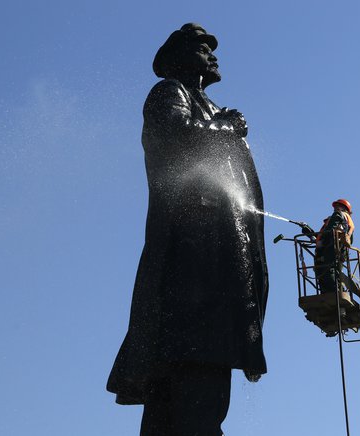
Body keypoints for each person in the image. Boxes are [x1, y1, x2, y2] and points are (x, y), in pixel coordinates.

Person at [106, 23, 268, 436]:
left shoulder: (214, 108)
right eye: (202, 47)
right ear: (179, 56)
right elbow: (173, 138)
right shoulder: (169, 93)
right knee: (193, 371)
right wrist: (226, 129)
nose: (213, 54)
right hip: (192, 266)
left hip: (218, 266)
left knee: (198, 388)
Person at [314, 199, 355, 294]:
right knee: (332, 272)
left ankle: (333, 292)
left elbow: (329, 231)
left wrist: (322, 241)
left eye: (338, 206)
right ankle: (336, 291)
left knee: (326, 271)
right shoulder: (347, 221)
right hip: (338, 250)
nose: (335, 208)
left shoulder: (338, 215)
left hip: (332, 249)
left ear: (344, 209)